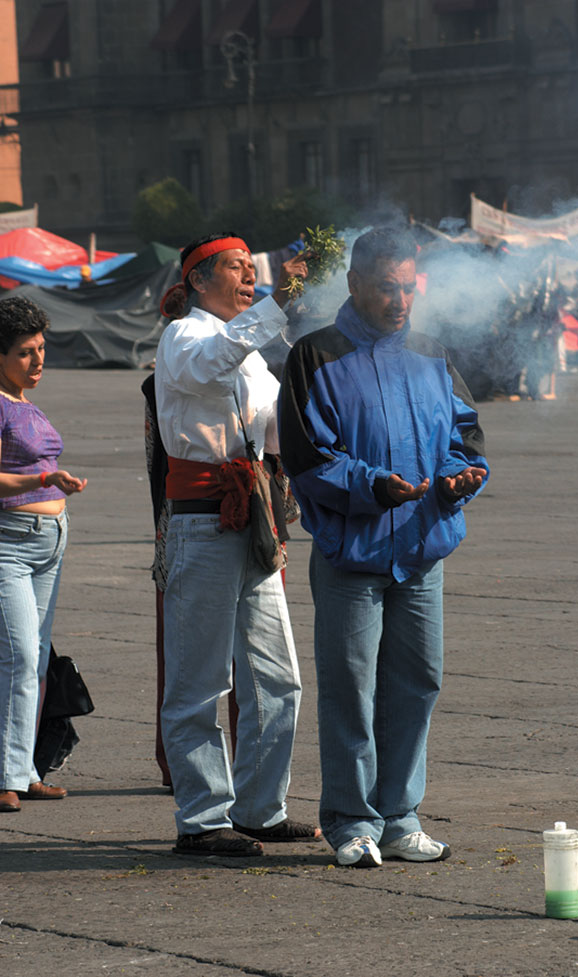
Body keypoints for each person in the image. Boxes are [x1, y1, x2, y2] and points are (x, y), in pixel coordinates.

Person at [278, 226, 489, 868]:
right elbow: (307, 457)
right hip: (352, 556)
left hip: (422, 550)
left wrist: (459, 479)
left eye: (407, 288)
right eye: (385, 289)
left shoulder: (432, 352)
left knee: (418, 681)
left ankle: (399, 816)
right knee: (350, 686)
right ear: (354, 285)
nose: (398, 302)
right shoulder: (314, 355)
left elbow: (466, 436)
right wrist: (372, 485)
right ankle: (350, 821)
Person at [154, 232, 320, 856]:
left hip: (252, 518)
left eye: (254, 270)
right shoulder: (185, 336)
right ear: (198, 280)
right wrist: (277, 309)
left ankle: (258, 807)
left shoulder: (249, 354)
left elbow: (279, 433)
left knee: (278, 677)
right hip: (202, 520)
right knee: (199, 681)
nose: (250, 278)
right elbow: (208, 364)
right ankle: (201, 817)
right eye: (236, 268)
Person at [0, 296, 87, 813]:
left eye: (41, 349)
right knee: (17, 657)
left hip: (50, 543)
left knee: (31, 663)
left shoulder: (26, 402)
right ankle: (7, 774)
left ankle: (23, 769)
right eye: (25, 353)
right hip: (9, 541)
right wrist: (43, 477)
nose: (38, 361)